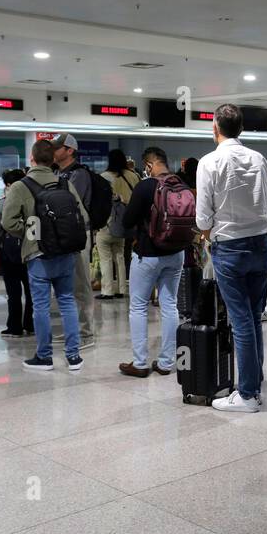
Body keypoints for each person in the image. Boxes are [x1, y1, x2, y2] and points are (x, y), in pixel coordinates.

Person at [195, 104, 267, 412]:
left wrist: (206, 230)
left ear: (215, 128)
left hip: (230, 247)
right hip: (260, 244)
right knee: (254, 318)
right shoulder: (260, 159)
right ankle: (255, 382)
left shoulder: (209, 162)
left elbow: (203, 217)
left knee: (240, 320)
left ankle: (247, 394)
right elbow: (266, 199)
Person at [0, 140, 86, 368]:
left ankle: (44, 356)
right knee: (67, 301)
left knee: (41, 306)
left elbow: (7, 222)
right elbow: (83, 218)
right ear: (53, 159)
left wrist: (32, 234)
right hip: (66, 253)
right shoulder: (65, 184)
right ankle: (74, 356)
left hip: (38, 255)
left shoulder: (20, 186)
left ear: (32, 158)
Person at [117, 147, 187, 377]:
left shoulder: (146, 186)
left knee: (138, 306)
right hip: (177, 253)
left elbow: (128, 220)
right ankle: (166, 363)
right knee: (170, 305)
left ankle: (140, 363)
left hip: (148, 253)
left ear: (148, 165)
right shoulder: (181, 184)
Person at [50, 134, 102, 346]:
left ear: (69, 150)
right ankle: (73, 329)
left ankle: (86, 332)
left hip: (79, 234)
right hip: (63, 234)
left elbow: (69, 205)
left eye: (57, 147)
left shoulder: (78, 175)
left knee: (81, 283)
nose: (54, 151)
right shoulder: (58, 173)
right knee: (66, 285)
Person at [0, 168, 32, 337]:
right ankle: (30, 324)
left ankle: (14, 326)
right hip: (31, 250)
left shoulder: (3, 202)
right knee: (32, 291)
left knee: (13, 292)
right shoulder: (33, 200)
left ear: (8, 185)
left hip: (10, 251)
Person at [97, 148, 140, 300]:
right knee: (120, 256)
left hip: (107, 224)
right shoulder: (133, 176)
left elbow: (99, 203)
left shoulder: (104, 177)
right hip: (125, 223)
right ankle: (122, 289)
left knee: (106, 258)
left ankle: (107, 290)